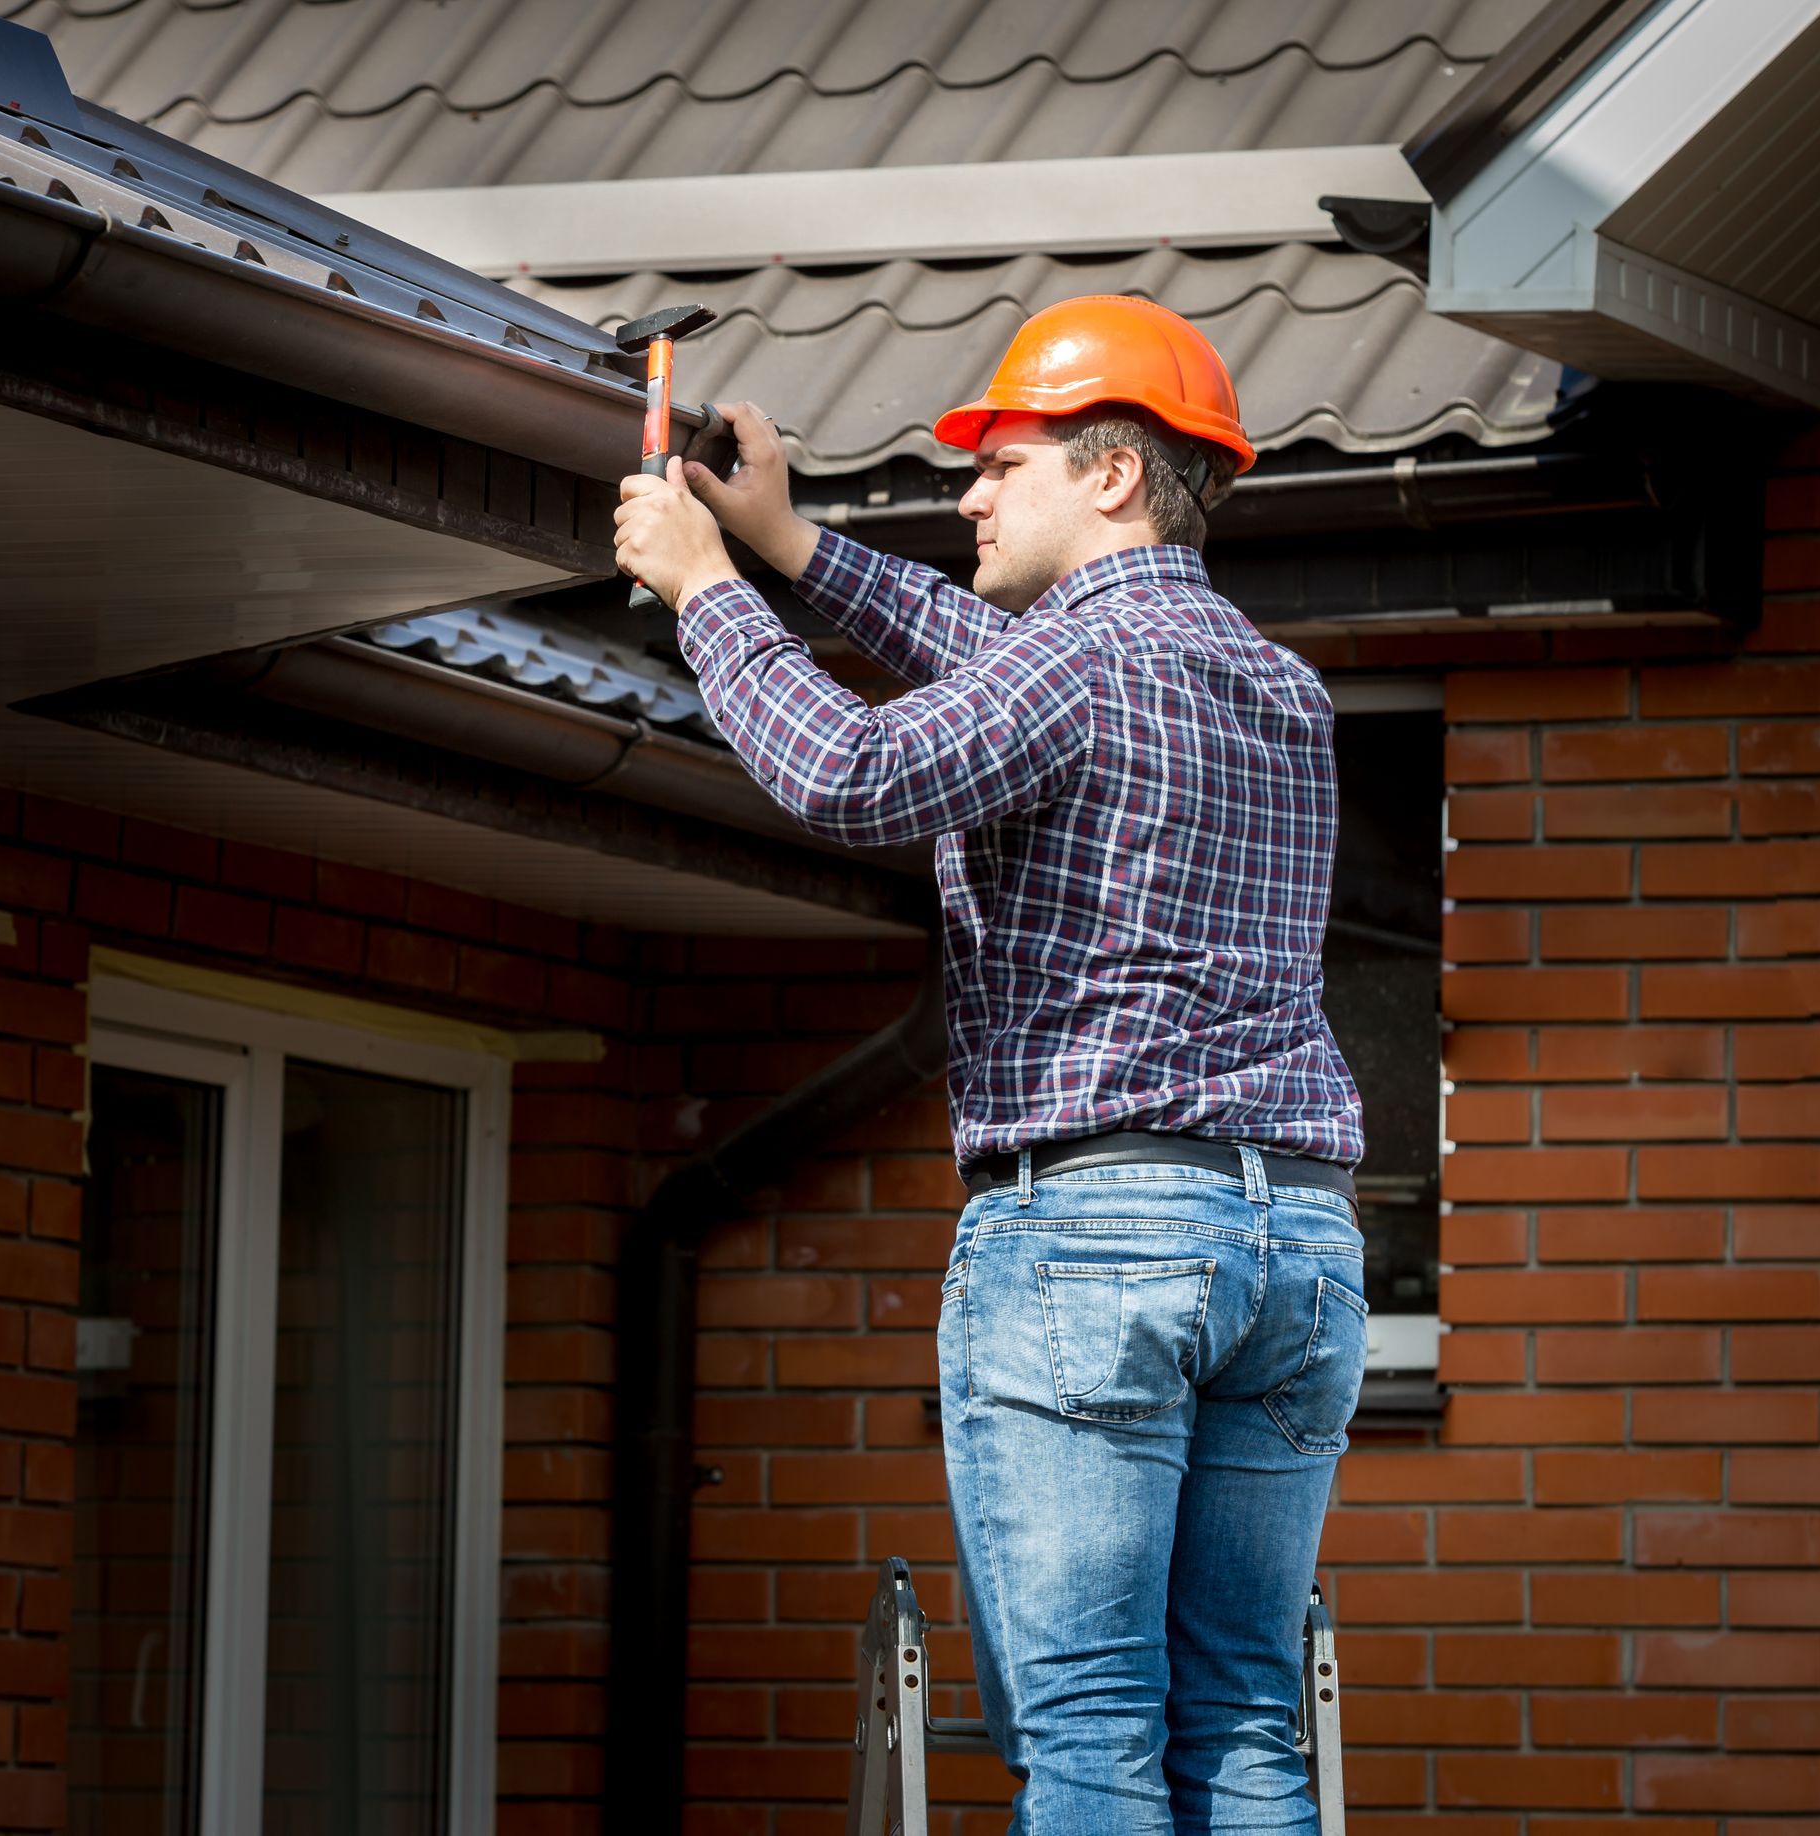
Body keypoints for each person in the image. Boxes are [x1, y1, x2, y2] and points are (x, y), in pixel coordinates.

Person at [615, 295, 1367, 1836]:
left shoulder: (1082, 672)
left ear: (1110, 476)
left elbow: (851, 767)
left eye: (1001, 463)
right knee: (1238, 1713)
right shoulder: (1277, 687)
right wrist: (792, 547)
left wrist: (708, 593)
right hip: (1299, 1243)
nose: (968, 492)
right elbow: (999, 656)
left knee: (1089, 1728)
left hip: (1097, 1240)